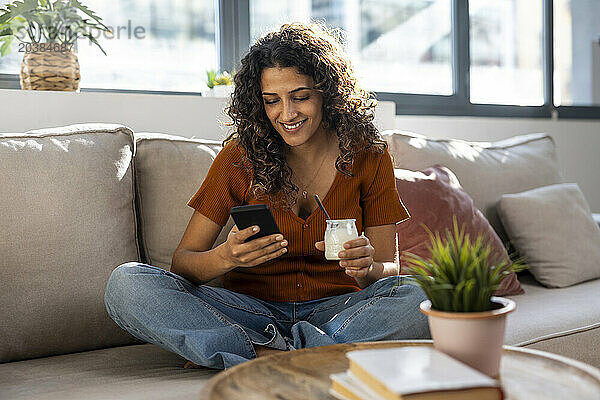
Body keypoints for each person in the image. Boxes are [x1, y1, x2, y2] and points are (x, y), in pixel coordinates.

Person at [104, 22, 430, 370]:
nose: (286, 114)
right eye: (272, 100)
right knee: (126, 284)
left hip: (338, 312)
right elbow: (183, 263)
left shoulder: (368, 156)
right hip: (248, 311)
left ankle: (252, 355)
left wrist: (367, 267)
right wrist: (228, 257)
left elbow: (387, 271)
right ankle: (309, 356)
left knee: (420, 294)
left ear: (328, 92)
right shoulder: (239, 158)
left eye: (300, 97)